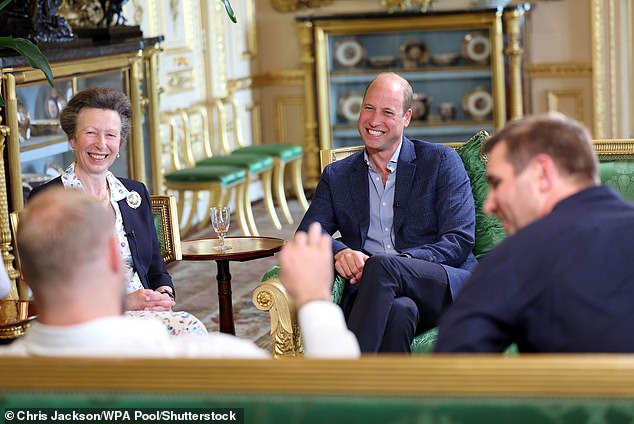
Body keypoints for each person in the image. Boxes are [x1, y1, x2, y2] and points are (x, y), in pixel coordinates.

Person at [1, 188, 360, 358]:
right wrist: (314, 301)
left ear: (26, 275)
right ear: (116, 256)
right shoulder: (208, 359)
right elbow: (334, 405)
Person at [297, 72, 478, 353]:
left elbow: (458, 239)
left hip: (441, 284)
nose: (374, 120)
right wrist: (340, 251)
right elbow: (309, 234)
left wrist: (397, 265)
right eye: (368, 108)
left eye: (387, 112)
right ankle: (389, 395)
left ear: (406, 117)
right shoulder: (338, 175)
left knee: (382, 266)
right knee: (400, 311)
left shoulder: (441, 162)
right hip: (374, 295)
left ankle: (344, 378)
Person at [434, 113, 634, 353]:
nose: (489, 205)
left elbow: (452, 368)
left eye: (497, 183)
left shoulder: (520, 254)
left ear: (542, 173)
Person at [28, 87, 207, 336]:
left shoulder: (134, 193)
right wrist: (126, 301)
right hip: (84, 320)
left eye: (111, 135)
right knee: (188, 332)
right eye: (90, 133)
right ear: (73, 138)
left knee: (189, 330)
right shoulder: (50, 199)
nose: (101, 144)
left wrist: (163, 295)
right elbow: (49, 282)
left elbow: (156, 266)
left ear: (120, 143)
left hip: (147, 313)